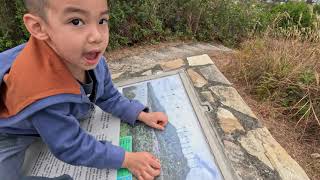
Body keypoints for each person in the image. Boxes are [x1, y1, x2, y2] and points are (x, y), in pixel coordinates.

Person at [0, 0, 168, 180]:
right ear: (39, 27)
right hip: (9, 133)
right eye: (76, 22)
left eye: (102, 20)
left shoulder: (87, 58)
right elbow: (71, 146)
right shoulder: (38, 90)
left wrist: (139, 114)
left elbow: (108, 95)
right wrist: (126, 159)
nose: (97, 36)